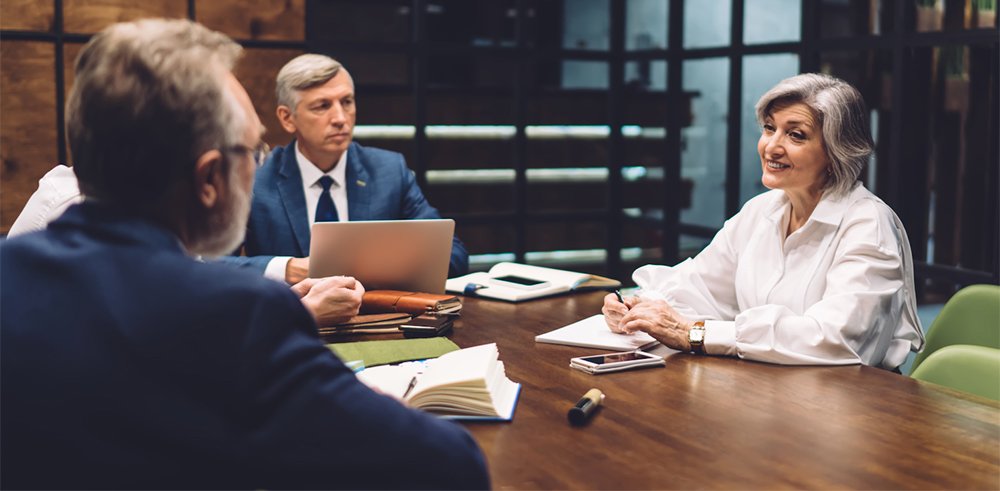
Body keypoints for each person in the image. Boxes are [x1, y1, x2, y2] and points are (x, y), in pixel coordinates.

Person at [0, 19, 488, 490]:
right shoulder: (240, 315)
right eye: (253, 150)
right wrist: (366, 404)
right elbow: (451, 465)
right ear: (210, 180)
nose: (260, 165)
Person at [603, 73, 925, 371]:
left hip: (850, 407)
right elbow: (700, 285)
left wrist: (694, 333)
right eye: (770, 128)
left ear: (835, 153)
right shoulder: (762, 210)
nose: (771, 146)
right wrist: (641, 310)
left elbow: (836, 340)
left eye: (795, 135)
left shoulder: (869, 224)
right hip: (768, 387)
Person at [226, 54, 469, 284]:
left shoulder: (389, 170)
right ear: (288, 118)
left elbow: (454, 253)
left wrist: (376, 268)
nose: (340, 117)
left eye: (347, 102)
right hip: (293, 319)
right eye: (322, 106)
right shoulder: (255, 178)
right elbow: (211, 263)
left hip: (379, 320)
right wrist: (288, 269)